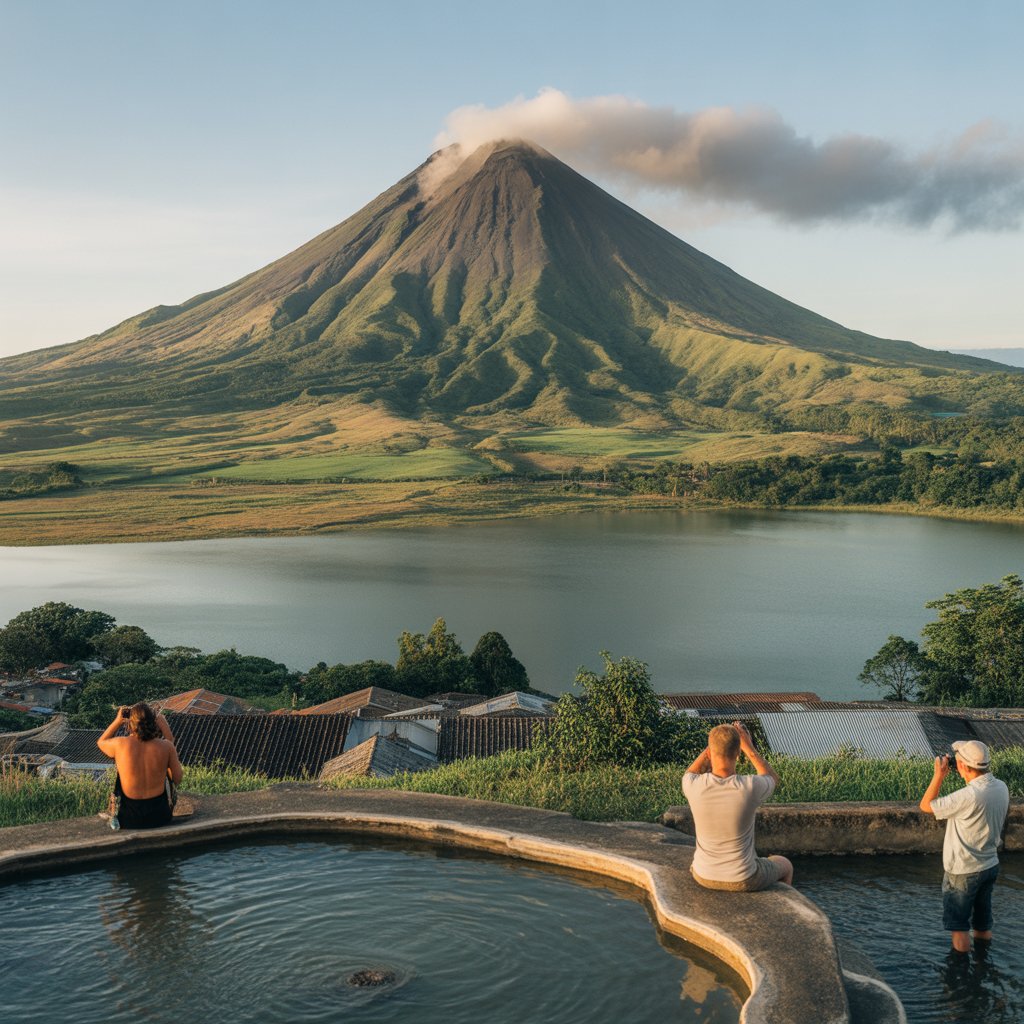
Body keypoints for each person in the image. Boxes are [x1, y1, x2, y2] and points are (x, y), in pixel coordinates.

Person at [919, 739, 1009, 953]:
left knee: (959, 928)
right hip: (989, 866)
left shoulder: (968, 796)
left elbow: (925, 806)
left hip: (963, 871)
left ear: (962, 766)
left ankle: (961, 978)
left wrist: (938, 776)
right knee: (982, 924)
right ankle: (983, 965)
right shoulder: (1002, 788)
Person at [682, 721, 793, 890]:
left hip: (702, 874)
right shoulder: (749, 787)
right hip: (744, 878)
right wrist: (748, 747)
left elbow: (690, 772)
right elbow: (772, 779)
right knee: (785, 864)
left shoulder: (692, 785)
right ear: (737, 753)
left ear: (710, 753)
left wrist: (713, 746)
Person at [97, 702, 183, 829]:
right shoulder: (166, 747)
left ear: (129, 724)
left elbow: (101, 742)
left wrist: (118, 721)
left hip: (129, 819)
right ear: (154, 722)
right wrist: (165, 728)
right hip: (160, 817)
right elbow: (177, 779)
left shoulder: (120, 744)